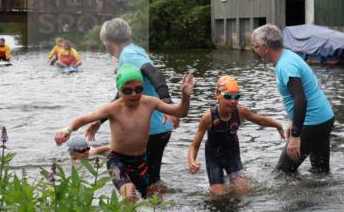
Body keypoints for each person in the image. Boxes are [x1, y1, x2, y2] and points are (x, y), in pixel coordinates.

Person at [55, 64, 194, 201]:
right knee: (129, 195)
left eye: (138, 89)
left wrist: (186, 96)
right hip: (117, 161)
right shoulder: (113, 108)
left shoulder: (150, 103)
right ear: (119, 90)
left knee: (151, 199)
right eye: (128, 90)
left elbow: (180, 112)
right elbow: (83, 119)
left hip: (141, 162)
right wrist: (68, 129)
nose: (134, 94)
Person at [86, 18, 180, 193]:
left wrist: (168, 104)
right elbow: (122, 96)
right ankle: (159, 206)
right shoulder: (135, 50)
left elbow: (155, 74)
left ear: (107, 40)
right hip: (159, 127)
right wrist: (100, 120)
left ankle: (148, 208)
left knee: (140, 183)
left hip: (149, 128)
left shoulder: (129, 55)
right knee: (151, 182)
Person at [250, 24, 335, 172]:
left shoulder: (285, 65)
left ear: (265, 47)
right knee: (320, 173)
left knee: (282, 174)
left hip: (312, 122)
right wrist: (292, 119)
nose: (254, 50)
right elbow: (299, 92)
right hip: (324, 118)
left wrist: (295, 136)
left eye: (255, 46)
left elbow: (300, 98)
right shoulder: (287, 56)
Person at [188, 75, 285, 196]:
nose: (233, 101)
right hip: (214, 158)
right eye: (228, 97)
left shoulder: (240, 111)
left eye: (236, 97)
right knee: (218, 197)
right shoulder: (208, 117)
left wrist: (278, 125)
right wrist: (191, 161)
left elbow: (259, 120)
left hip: (232, 156)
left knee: (243, 193)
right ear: (218, 95)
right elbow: (195, 145)